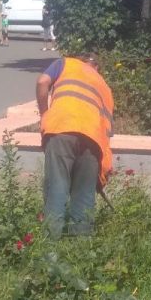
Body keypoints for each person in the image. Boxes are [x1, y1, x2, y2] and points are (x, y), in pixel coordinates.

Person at [35, 53, 115, 238]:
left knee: (57, 187)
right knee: (84, 195)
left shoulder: (66, 64)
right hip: (93, 140)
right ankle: (81, 254)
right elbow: (107, 133)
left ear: (82, 60)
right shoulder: (105, 88)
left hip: (61, 129)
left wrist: (44, 115)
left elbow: (42, 82)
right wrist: (102, 172)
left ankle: (51, 251)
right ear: (97, 68)